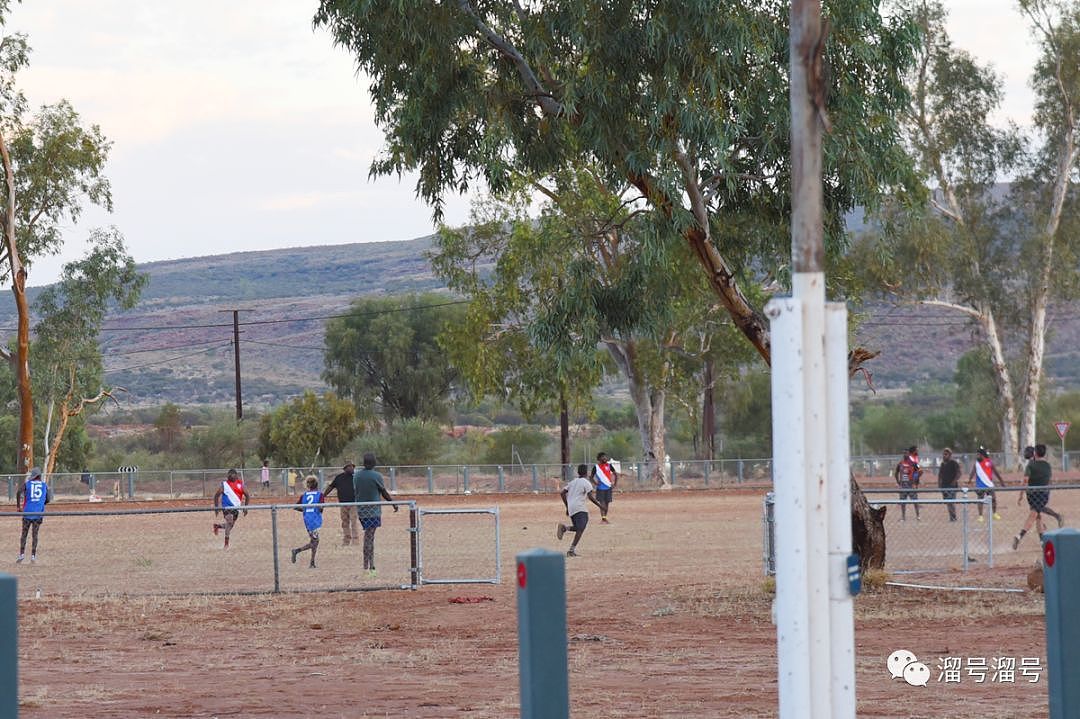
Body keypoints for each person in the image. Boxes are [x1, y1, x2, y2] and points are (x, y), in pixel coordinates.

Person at [352, 452, 398, 577]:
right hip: (373, 511)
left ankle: (368, 567)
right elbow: (383, 492)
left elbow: (356, 491)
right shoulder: (376, 476)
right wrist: (393, 503)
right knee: (369, 539)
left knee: (368, 536)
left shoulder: (356, 476)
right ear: (373, 463)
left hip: (361, 511)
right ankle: (369, 567)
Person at [1013, 444, 1064, 549]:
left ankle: (1019, 536)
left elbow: (1025, 481)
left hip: (1033, 495)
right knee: (1038, 517)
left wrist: (1020, 495)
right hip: (1042, 494)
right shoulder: (1047, 466)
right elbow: (1049, 480)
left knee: (1033, 515)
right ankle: (1042, 541)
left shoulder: (1031, 465)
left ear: (1035, 453)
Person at [556, 464, 604, 557]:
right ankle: (571, 550)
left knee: (579, 527)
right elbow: (590, 497)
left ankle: (565, 528)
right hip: (580, 508)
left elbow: (562, 493)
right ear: (586, 473)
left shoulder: (573, 482)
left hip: (572, 508)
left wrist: (567, 506)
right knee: (581, 528)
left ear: (578, 472)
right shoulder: (586, 483)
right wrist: (600, 506)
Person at [15, 467, 51, 563]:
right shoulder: (44, 485)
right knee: (35, 535)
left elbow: (18, 492)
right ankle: (33, 556)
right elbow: (48, 499)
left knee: (24, 534)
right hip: (38, 514)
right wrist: (40, 503)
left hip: (27, 512)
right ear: (39, 476)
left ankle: (21, 554)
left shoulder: (27, 484)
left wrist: (18, 506)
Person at [291, 476, 324, 568]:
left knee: (314, 540)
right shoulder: (320, 495)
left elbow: (296, 507)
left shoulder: (304, 495)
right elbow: (321, 508)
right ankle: (297, 550)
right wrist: (316, 508)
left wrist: (305, 509)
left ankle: (312, 562)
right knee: (315, 541)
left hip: (307, 519)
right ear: (317, 484)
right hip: (315, 519)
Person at [323, 461, 359, 546]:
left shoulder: (356, 478)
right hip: (343, 504)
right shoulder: (339, 478)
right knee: (345, 522)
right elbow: (331, 487)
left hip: (354, 503)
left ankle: (355, 541)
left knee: (354, 522)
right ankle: (346, 540)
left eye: (353, 466)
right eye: (350, 466)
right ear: (345, 468)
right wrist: (323, 496)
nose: (352, 468)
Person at [212, 468, 250, 548]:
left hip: (236, 508)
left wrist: (245, 508)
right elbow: (216, 495)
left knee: (230, 525)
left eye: (232, 474)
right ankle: (226, 544)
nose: (230, 476)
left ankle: (217, 526)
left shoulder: (241, 485)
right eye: (229, 475)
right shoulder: (224, 485)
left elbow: (247, 496)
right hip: (227, 508)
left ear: (236, 476)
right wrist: (216, 508)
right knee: (229, 522)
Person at [969, 447, 1005, 521]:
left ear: (982, 455)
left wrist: (1001, 481)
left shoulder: (989, 462)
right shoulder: (976, 463)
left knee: (993, 499)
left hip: (989, 485)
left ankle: (994, 513)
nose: (977, 456)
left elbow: (996, 472)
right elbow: (973, 472)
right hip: (980, 485)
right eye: (977, 454)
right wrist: (969, 480)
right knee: (980, 500)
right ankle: (980, 516)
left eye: (978, 454)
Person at [894, 446, 922, 521]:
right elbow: (896, 473)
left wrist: (915, 481)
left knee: (915, 501)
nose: (904, 454)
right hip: (903, 486)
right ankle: (903, 517)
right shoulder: (900, 463)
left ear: (909, 454)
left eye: (906, 453)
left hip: (911, 486)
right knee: (903, 502)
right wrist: (898, 482)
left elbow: (919, 471)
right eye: (903, 453)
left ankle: (918, 516)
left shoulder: (913, 463)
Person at [589, 452, 618, 523]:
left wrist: (615, 483)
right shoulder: (596, 467)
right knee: (602, 503)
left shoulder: (609, 465)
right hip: (600, 488)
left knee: (607, 502)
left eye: (605, 456)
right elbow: (591, 477)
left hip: (608, 487)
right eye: (603, 457)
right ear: (599, 458)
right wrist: (595, 483)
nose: (605, 458)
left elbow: (615, 474)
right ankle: (603, 518)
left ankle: (605, 517)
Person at [937, 448, 961, 522]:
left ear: (950, 455)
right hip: (944, 486)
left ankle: (953, 517)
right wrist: (939, 483)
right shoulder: (942, 464)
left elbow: (959, 473)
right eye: (943, 454)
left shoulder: (953, 463)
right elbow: (940, 474)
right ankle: (951, 516)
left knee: (951, 501)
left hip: (952, 486)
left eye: (946, 454)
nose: (944, 456)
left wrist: (954, 481)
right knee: (948, 502)